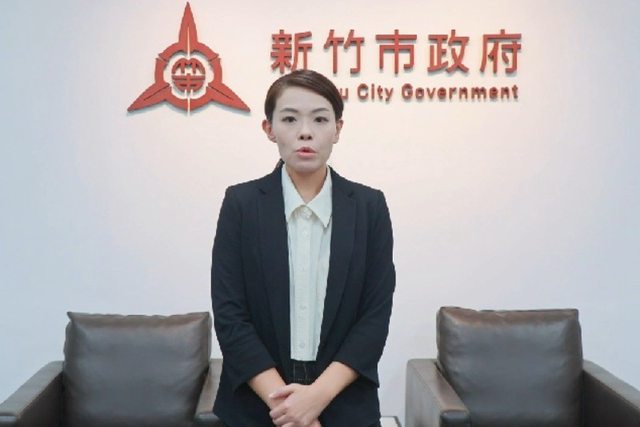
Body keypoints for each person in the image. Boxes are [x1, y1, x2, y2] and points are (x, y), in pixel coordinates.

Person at [211, 69, 395, 427]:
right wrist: (290, 410)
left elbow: (374, 317)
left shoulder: (369, 207)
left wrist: (315, 399)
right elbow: (231, 315)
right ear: (269, 129)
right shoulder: (241, 204)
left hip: (343, 403)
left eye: (320, 119)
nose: (305, 132)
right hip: (257, 405)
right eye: (290, 119)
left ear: (338, 129)